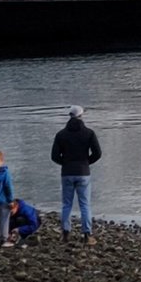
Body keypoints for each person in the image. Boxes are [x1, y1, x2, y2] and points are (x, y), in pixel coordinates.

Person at [50, 105, 102, 244]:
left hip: (67, 172)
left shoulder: (61, 134)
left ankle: (66, 233)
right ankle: (87, 235)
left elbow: (54, 156)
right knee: (85, 205)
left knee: (66, 204)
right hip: (83, 172)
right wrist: (86, 162)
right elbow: (98, 153)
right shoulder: (89, 133)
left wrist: (65, 163)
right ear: (81, 116)